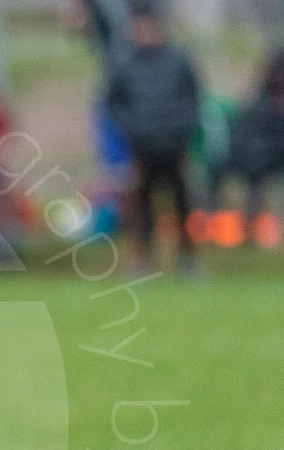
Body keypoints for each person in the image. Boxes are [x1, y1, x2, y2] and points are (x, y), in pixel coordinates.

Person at [105, 0, 202, 275]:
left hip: (174, 146)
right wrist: (133, 130)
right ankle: (142, 260)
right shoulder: (124, 63)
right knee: (142, 207)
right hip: (142, 148)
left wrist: (180, 131)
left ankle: (188, 259)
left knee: (182, 203)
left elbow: (192, 99)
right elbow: (114, 104)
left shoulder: (178, 61)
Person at [222, 47, 284, 242]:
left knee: (256, 166)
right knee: (223, 165)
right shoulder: (260, 95)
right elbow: (244, 124)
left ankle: (253, 227)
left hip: (283, 157)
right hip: (253, 156)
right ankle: (224, 226)